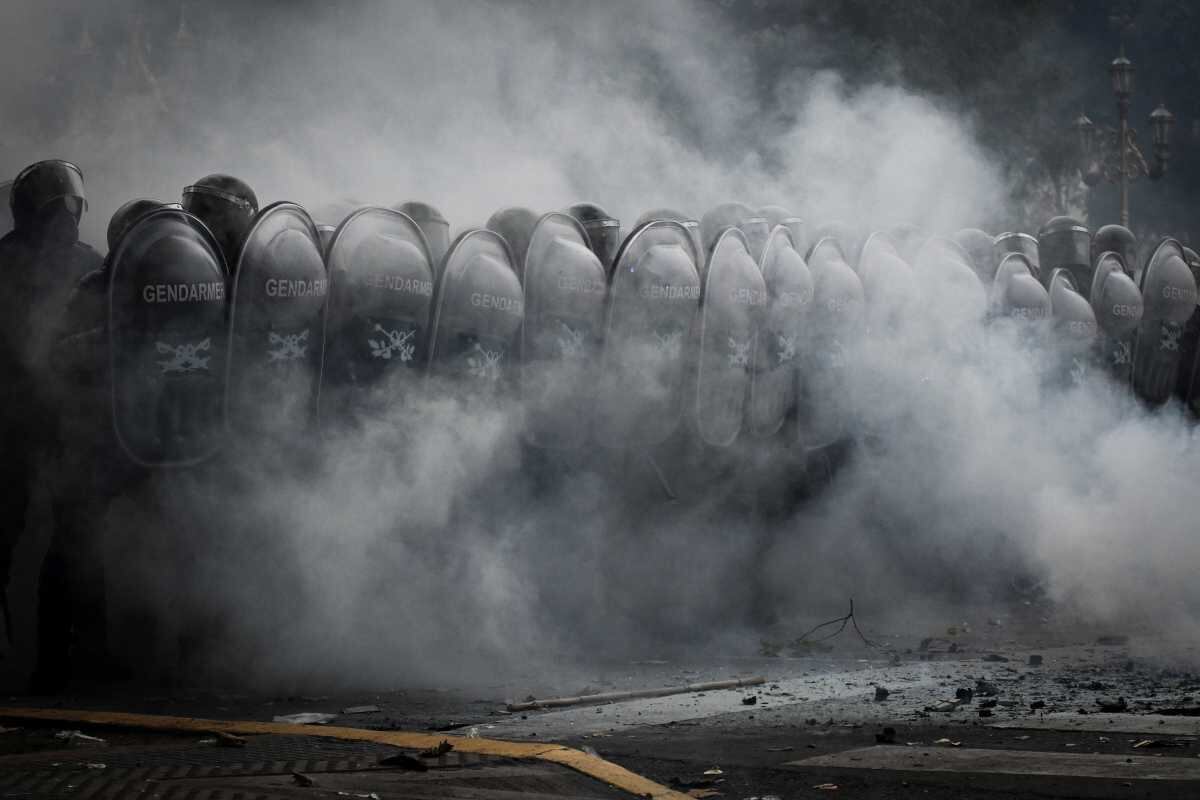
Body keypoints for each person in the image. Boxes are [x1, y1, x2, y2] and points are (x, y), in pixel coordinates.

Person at [0, 160, 102, 689]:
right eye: (62, 203)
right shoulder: (89, 265)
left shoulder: (6, 260)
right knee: (67, 538)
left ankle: (55, 666)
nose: (69, 212)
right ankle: (57, 667)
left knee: (65, 539)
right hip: (42, 420)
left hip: (42, 420)